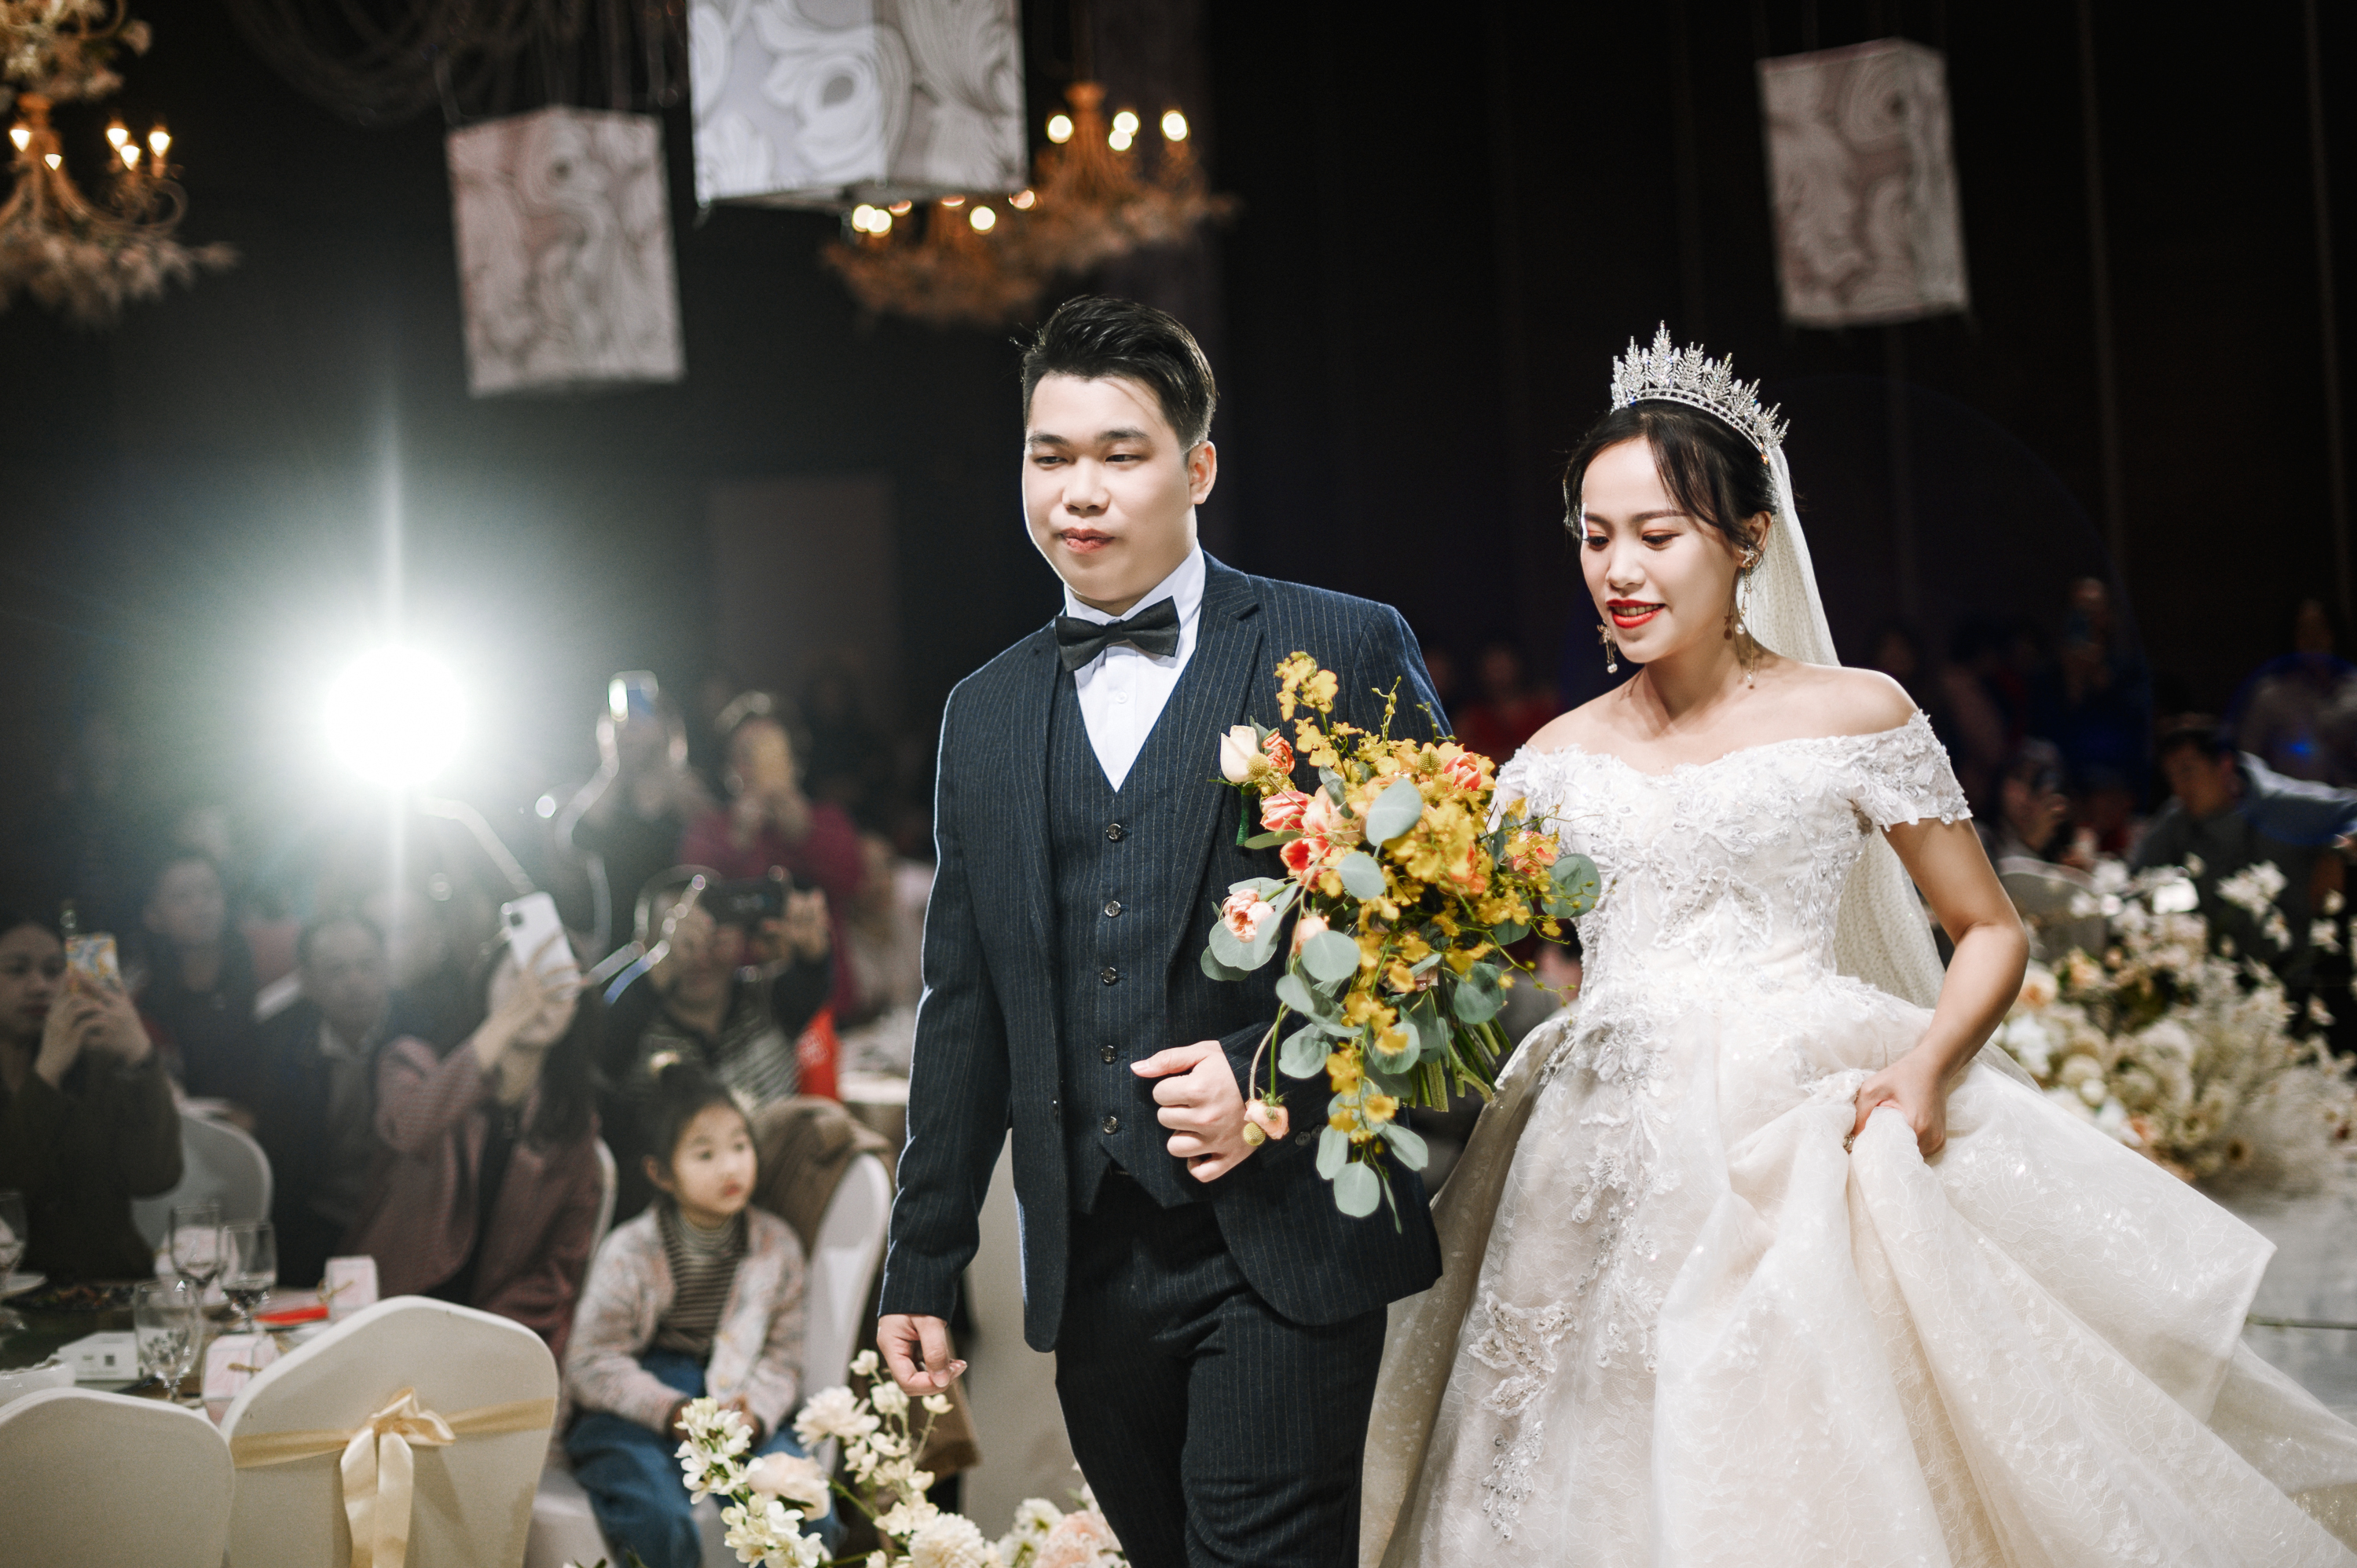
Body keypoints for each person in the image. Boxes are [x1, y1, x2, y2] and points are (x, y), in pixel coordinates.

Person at [1362, 328, 2357, 1565]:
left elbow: (1988, 929)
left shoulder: (1856, 714)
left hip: (1801, 1117)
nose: (1619, 569)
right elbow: (1465, 944)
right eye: (1595, 535)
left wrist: (1928, 1066)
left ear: (1749, 540)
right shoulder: (1555, 757)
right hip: (1590, 1139)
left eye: (1657, 534)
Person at [875, 295, 1444, 1568]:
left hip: (1285, 1235)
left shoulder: (1340, 644)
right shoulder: (984, 713)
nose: (1078, 490)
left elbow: (1440, 937)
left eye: (1119, 454)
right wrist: (922, 1261)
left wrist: (1274, 1079)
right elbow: (964, 1009)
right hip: (1094, 1266)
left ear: (1198, 470)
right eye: (1049, 455)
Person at [564, 1060, 826, 1568]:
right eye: (705, 1154)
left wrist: (755, 1415)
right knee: (660, 1519)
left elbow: (784, 1358)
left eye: (740, 1146)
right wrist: (673, 1411)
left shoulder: (777, 1246)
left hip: (736, 1396)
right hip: (642, 1404)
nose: (731, 1167)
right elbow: (592, 1361)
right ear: (660, 1173)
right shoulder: (631, 1251)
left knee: (803, 1506)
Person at [344, 936, 605, 1358]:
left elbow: (560, 1263)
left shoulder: (571, 1124)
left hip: (489, 1340)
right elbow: (409, 1130)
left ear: (576, 1007)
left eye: (554, 983)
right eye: (520, 978)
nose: (536, 996)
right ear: (485, 984)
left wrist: (478, 1341)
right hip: (388, 1317)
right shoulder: (412, 1062)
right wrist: (506, 1021)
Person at [601, 868, 833, 1224]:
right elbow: (605, 1038)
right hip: (673, 1223)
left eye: (714, 935)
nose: (699, 956)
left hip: (777, 1206)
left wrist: (813, 942)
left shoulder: (767, 999)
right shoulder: (634, 1027)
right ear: (644, 946)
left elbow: (813, 975)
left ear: (740, 937)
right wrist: (668, 960)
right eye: (682, 938)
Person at [0, 910, 181, 1280]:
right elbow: (12, 1197)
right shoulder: (57, 1062)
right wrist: (47, 1073)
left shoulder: (95, 1063)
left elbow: (155, 1178)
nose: (39, 986)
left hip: (111, 1287)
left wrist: (140, 1056)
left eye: (54, 971)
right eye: (17, 970)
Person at [2129, 718, 2357, 1000]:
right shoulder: (2179, 820)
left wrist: (2338, 852)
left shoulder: (2282, 805)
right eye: (2171, 778)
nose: (2179, 789)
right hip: (2221, 985)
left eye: (2187, 772)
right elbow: (2135, 879)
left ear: (2224, 765)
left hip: (2300, 980)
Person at [681, 694, 865, 1019]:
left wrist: (806, 834)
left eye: (770, 752)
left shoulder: (826, 819)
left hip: (829, 1005)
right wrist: (737, 841)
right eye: (745, 755)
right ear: (729, 770)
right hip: (741, 1014)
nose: (756, 766)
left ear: (794, 763)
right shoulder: (709, 830)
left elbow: (855, 883)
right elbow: (692, 901)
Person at [245, 911, 394, 1288]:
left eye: (367, 966)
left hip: (400, 1221)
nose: (355, 981)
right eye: (336, 970)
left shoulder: (424, 1035)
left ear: (387, 969)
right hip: (316, 1226)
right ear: (307, 982)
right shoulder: (279, 1047)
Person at [558, 673, 716, 954]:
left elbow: (717, 845)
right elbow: (575, 840)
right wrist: (616, 767)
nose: (630, 729)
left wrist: (672, 778)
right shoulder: (611, 796)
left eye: (640, 718)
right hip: (617, 948)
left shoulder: (686, 792)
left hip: (679, 947)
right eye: (621, 722)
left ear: (663, 725)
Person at [137, 850, 258, 1101]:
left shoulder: (262, 969)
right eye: (182, 897)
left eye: (209, 892)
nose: (200, 905)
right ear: (153, 917)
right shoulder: (148, 1001)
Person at [2228, 598, 2357, 786]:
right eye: (2304, 631)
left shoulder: (2353, 686)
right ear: (2292, 638)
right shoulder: (2270, 695)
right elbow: (2247, 760)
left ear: (2334, 633)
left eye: (2320, 629)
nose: (2314, 639)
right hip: (2294, 800)